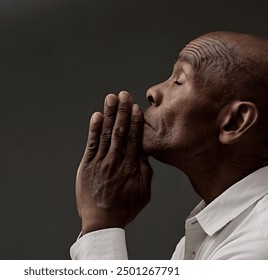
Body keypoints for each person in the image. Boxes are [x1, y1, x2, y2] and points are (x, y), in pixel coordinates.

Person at [70, 31, 268, 259]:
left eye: (179, 80)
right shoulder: (204, 237)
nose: (153, 92)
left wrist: (101, 225)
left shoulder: (258, 242)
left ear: (234, 122)